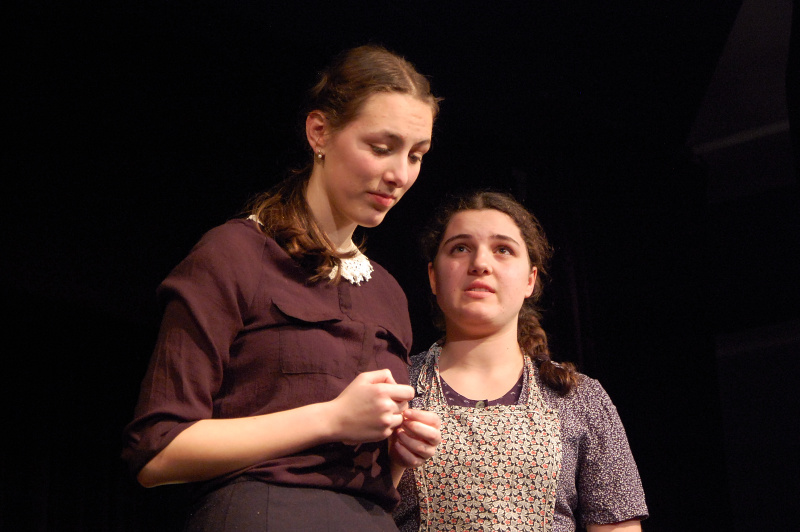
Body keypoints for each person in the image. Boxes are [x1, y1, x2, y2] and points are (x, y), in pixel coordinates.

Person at [122, 45, 443, 531]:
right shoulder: (235, 254)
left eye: (416, 156)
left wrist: (396, 456)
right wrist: (330, 418)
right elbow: (157, 451)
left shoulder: (388, 293)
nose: (400, 174)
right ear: (320, 132)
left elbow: (373, 486)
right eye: (381, 147)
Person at [394, 191, 648, 531]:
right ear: (433, 277)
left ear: (530, 279)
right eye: (460, 248)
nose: (480, 264)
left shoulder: (580, 399)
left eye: (503, 249)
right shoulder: (395, 387)